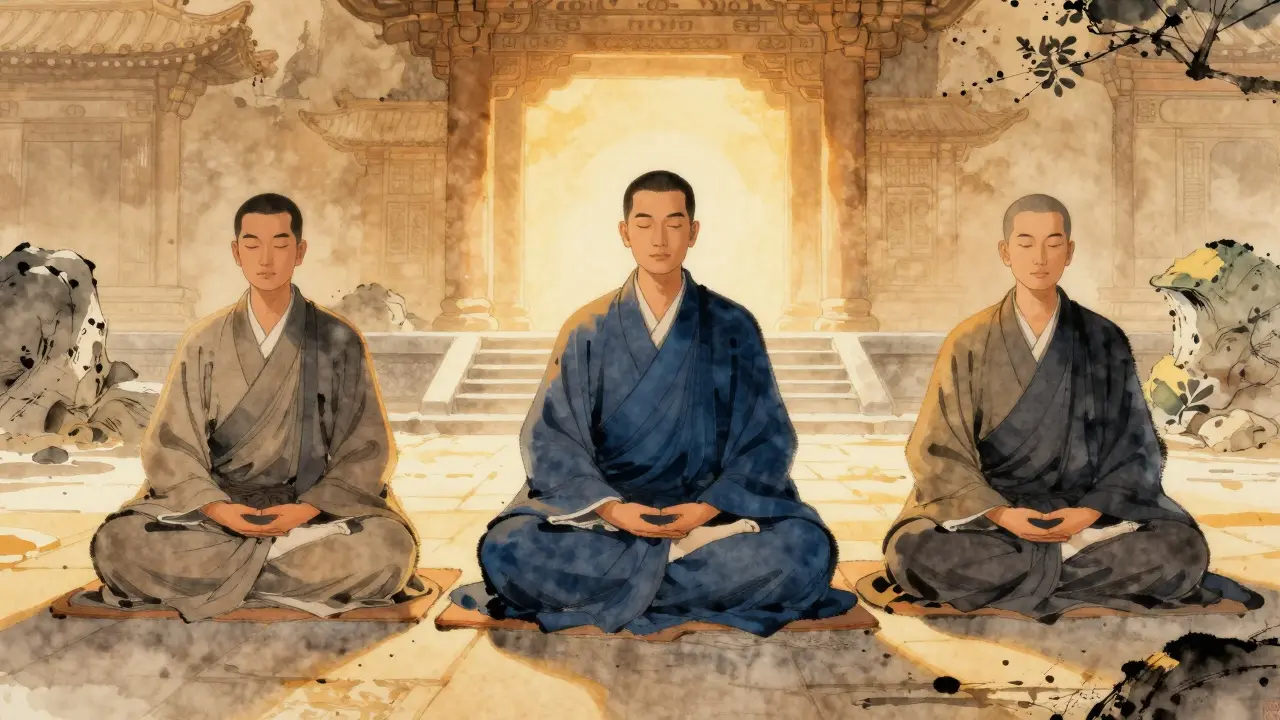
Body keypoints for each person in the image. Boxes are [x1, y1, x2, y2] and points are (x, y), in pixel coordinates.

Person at [450, 170, 856, 636]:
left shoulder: (732, 324)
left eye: (674, 223)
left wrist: (703, 511)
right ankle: (680, 574)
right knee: (509, 549)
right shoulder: (587, 327)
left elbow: (767, 439)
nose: (659, 239)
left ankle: (624, 583)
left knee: (803, 551)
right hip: (607, 517)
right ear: (625, 233)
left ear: (693, 232)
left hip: (710, 514)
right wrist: (611, 510)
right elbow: (551, 439)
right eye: (644, 224)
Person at [875, 194, 1259, 621]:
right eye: (1025, 243)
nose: (1040, 257)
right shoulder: (968, 340)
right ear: (1005, 252)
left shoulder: (1103, 338)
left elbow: (1136, 447)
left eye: (1053, 243)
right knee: (913, 551)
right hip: (992, 517)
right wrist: (1002, 513)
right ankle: (1064, 573)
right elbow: (938, 449)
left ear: (1069, 251)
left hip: (1087, 517)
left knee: (1181, 550)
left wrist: (1088, 512)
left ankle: (1023, 575)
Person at [82, 193, 424, 622]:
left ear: (299, 252)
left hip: (311, 514)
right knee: (119, 545)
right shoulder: (203, 340)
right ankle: (280, 572)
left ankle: (227, 576)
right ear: (236, 252)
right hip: (215, 514)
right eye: (252, 244)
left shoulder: (337, 339)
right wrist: (218, 508)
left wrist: (304, 509)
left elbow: (366, 449)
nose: (267, 258)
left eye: (281, 244)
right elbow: (171, 447)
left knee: (388, 551)